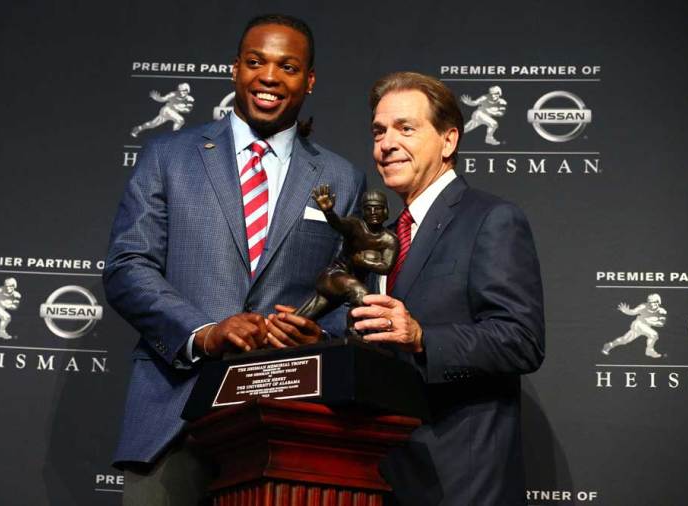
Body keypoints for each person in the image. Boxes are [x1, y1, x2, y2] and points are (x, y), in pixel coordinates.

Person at [103, 14, 365, 506]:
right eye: (255, 62)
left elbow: (349, 292)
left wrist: (322, 335)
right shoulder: (169, 155)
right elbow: (127, 266)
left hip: (287, 427)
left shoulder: (342, 178)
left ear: (308, 81)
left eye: (287, 67)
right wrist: (204, 332)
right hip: (174, 414)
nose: (269, 77)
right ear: (234, 70)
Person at [351, 72, 545, 506]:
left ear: (448, 140)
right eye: (379, 131)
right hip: (381, 470)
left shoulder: (491, 219)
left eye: (406, 128)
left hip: (460, 479)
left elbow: (522, 341)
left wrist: (422, 338)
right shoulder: (378, 233)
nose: (386, 144)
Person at [294, 186, 398, 329]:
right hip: (334, 277)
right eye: (368, 209)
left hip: (350, 285)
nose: (373, 212)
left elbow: (386, 267)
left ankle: (272, 339)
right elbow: (339, 224)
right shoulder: (355, 226)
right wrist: (329, 211)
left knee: (301, 318)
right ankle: (354, 332)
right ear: (363, 212)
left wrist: (363, 261)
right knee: (362, 294)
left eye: (377, 208)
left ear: (385, 211)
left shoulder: (389, 239)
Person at [602, 294, 666, 358]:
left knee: (624, 340)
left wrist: (650, 321)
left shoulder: (662, 311)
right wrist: (627, 311)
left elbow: (661, 324)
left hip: (646, 327)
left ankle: (609, 345)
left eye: (654, 302)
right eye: (650, 302)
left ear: (658, 302)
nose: (652, 304)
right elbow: (633, 312)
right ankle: (649, 350)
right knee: (654, 334)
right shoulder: (643, 306)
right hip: (638, 324)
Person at [130, 82, 195, 138]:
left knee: (153, 124)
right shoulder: (173, 94)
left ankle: (138, 128)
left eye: (184, 90)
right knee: (180, 120)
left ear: (188, 90)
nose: (181, 92)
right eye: (180, 90)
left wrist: (178, 108)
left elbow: (188, 110)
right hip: (166, 110)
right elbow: (163, 99)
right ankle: (174, 137)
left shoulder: (190, 99)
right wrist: (157, 98)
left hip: (173, 113)